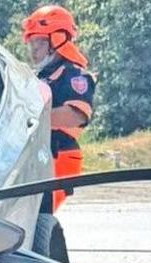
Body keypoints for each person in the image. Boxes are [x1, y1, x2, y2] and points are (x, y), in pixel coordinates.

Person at [22, 5, 96, 211]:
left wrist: (27, 119)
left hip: (59, 154)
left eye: (40, 41)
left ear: (57, 40)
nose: (33, 49)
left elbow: (75, 116)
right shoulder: (40, 75)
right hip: (41, 152)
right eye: (31, 42)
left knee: (41, 214)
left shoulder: (73, 75)